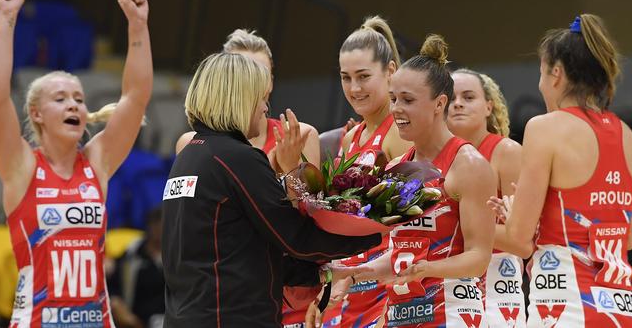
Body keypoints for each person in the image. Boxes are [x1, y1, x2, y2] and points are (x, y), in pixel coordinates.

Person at [161, 52, 383, 328]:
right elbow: (294, 238)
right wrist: (375, 232)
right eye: (261, 97)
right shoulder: (236, 157)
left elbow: (245, 249)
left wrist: (322, 276)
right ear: (239, 98)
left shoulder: (188, 156)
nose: (266, 107)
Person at [0, 0, 153, 327]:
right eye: (61, 98)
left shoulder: (97, 162)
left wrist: (137, 25)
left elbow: (136, 96)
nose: (74, 105)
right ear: (36, 113)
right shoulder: (21, 166)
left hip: (95, 320)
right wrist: (6, 18)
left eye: (79, 99)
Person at [488, 14, 632, 327]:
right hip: (621, 311)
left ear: (556, 73)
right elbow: (627, 239)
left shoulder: (545, 128)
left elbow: (519, 240)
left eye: (541, 74)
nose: (540, 85)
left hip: (565, 309)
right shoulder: (630, 137)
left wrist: (461, 224)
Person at [347, 34, 497, 327]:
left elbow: (479, 257)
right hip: (399, 316)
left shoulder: (469, 165)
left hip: (452, 314)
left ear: (440, 103)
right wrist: (349, 275)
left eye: (408, 100)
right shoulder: (395, 168)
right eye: (393, 99)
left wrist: (429, 268)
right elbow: (397, 256)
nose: (396, 109)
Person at [320, 16, 411, 328]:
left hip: (384, 286)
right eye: (346, 78)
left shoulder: (400, 132)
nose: (354, 88)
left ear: (390, 72)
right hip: (348, 284)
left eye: (363, 76)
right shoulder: (349, 138)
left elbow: (413, 217)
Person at [175, 29, 320, 171]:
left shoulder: (300, 136)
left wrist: (290, 167)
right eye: (242, 76)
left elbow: (312, 195)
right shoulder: (190, 143)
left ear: (271, 82)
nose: (252, 85)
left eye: (261, 76)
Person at [447, 69, 525, 327]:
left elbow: (525, 241)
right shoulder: (432, 157)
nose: (457, 103)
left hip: (498, 284)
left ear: (488, 107)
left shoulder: (507, 152)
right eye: (451, 97)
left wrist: (463, 226)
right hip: (450, 282)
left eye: (468, 97)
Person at [108, 207, 165, 328]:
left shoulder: (180, 255)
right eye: (156, 224)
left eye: (165, 225)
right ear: (149, 226)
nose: (160, 230)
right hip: (135, 320)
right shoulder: (132, 253)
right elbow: (113, 287)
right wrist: (116, 303)